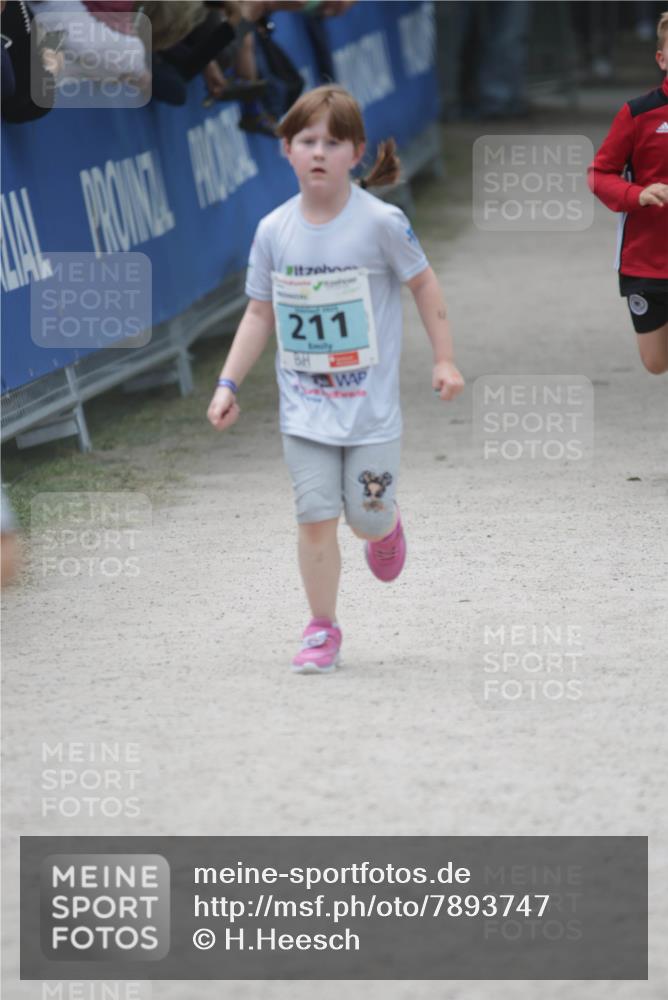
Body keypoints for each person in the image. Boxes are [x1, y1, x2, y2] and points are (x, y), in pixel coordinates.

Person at [206, 84, 464, 674]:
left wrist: (444, 359)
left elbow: (424, 284)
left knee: (364, 516)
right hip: (305, 412)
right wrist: (228, 384)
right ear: (286, 151)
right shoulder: (273, 230)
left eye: (332, 141)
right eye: (306, 140)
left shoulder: (381, 223)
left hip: (370, 412)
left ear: (357, 152)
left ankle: (385, 525)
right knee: (316, 519)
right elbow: (258, 312)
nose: (318, 151)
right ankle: (322, 627)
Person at [587, 10, 668, 376]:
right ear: (661, 58)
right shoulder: (637, 114)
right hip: (646, 260)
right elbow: (600, 174)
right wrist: (636, 194)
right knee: (655, 363)